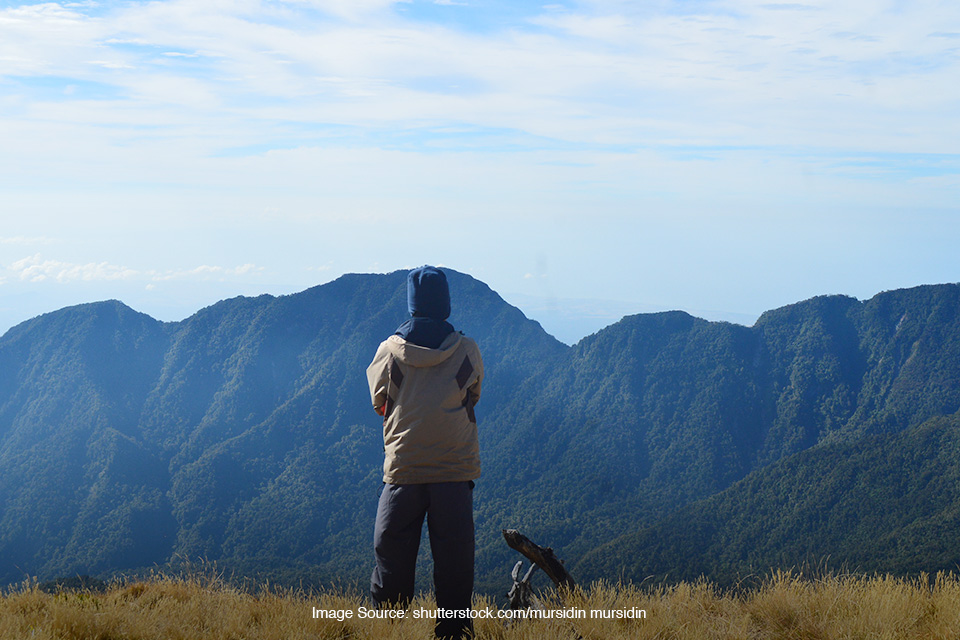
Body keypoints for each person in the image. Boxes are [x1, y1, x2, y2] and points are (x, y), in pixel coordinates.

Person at [366, 265, 484, 639]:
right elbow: (474, 395)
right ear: (445, 304)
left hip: (404, 468)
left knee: (391, 554)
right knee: (454, 559)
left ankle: (389, 629)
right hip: (453, 468)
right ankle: (453, 632)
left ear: (411, 304)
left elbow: (379, 402)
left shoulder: (389, 351)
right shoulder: (466, 349)